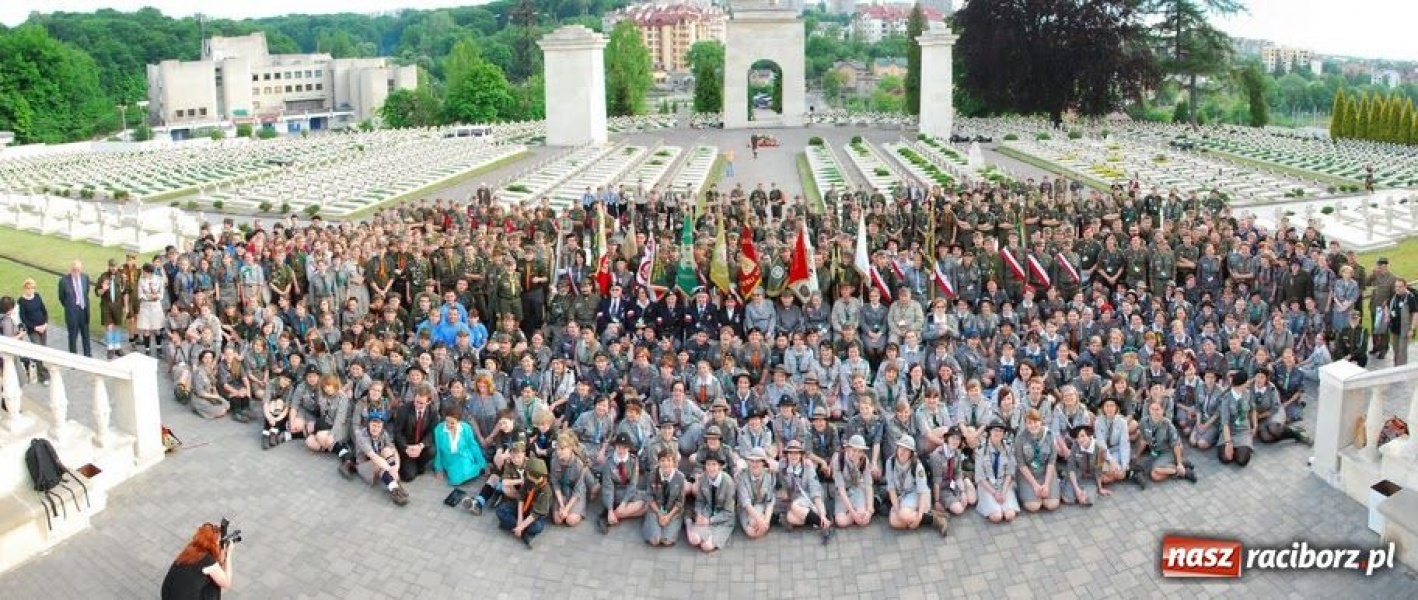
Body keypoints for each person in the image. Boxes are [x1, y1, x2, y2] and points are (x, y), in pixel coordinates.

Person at [160, 522, 233, 600]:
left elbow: (218, 563)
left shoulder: (191, 549)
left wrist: (221, 552)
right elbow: (226, 583)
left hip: (167, 594)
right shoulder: (208, 561)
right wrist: (228, 554)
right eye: (219, 542)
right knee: (214, 586)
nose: (220, 545)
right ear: (213, 543)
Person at [353, 411, 410, 506]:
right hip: (364, 465)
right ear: (368, 424)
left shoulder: (384, 433)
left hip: (379, 461)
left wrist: (396, 467)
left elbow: (394, 451)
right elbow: (373, 456)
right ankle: (394, 488)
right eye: (373, 425)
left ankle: (394, 483)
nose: (376, 428)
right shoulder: (361, 435)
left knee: (387, 450)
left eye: (379, 426)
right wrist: (389, 468)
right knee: (379, 464)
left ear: (382, 426)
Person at [597, 432, 648, 533]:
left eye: (624, 447)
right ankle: (611, 512)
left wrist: (624, 503)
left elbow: (633, 484)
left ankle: (609, 517)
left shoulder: (633, 461)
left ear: (629, 448)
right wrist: (610, 508)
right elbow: (608, 487)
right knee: (641, 504)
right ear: (615, 446)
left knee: (646, 506)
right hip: (615, 493)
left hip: (628, 492)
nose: (621, 450)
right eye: (619, 446)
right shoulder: (609, 462)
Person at [497, 455, 550, 549]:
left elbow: (535, 514)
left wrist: (521, 527)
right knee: (501, 510)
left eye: (528, 472)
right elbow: (521, 496)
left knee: (538, 527)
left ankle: (512, 527)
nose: (526, 472)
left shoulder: (545, 491)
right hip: (523, 507)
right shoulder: (528, 479)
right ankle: (525, 535)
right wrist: (520, 519)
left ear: (533, 475)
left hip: (533, 515)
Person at [686, 453, 736, 553]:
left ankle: (711, 534)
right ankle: (688, 522)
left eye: (714, 464)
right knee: (694, 540)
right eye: (708, 465)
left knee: (707, 546)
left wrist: (710, 520)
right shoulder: (702, 478)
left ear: (720, 467)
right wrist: (699, 513)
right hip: (707, 511)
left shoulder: (729, 483)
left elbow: (729, 512)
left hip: (723, 517)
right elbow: (700, 501)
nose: (711, 468)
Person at [975, 420, 1019, 523]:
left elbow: (1010, 472)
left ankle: (1004, 503)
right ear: (990, 431)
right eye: (995, 430)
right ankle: (990, 505)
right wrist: (995, 493)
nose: (998, 433)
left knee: (1009, 515)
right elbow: (980, 477)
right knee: (997, 516)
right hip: (987, 485)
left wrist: (1003, 492)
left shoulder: (1008, 447)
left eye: (1000, 431)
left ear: (1004, 433)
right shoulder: (980, 448)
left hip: (1004, 484)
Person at [432, 404, 486, 486]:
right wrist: (439, 469)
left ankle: (479, 466)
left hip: (464, 456)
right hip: (448, 459)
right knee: (455, 480)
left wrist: (482, 463)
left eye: (452, 423)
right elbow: (437, 450)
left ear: (459, 421)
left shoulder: (466, 428)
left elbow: (473, 445)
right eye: (447, 421)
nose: (448, 425)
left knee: (467, 470)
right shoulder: (439, 429)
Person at [644, 448, 686, 546]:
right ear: (658, 462)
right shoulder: (652, 475)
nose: (666, 463)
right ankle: (651, 524)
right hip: (656, 509)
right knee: (655, 541)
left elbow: (680, 502)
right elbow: (649, 497)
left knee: (666, 541)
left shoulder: (680, 478)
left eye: (669, 460)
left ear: (674, 463)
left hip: (673, 510)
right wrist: (659, 514)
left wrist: (668, 516)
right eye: (662, 460)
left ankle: (672, 526)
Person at [832, 434, 875, 529]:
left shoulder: (864, 460)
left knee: (864, 519)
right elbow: (841, 489)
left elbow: (868, 485)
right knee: (841, 522)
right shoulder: (838, 460)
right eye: (854, 450)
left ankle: (858, 512)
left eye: (860, 451)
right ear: (847, 449)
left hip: (857, 489)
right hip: (842, 493)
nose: (856, 454)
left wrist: (870, 510)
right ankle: (853, 514)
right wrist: (854, 514)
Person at [17, 278, 50, 385]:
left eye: (32, 288)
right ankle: (43, 376)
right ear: (25, 288)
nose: (31, 290)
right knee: (38, 350)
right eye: (29, 288)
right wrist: (35, 328)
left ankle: (39, 369)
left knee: (43, 349)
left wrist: (45, 323)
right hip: (33, 330)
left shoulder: (37, 296)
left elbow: (44, 310)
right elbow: (24, 319)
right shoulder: (21, 301)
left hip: (43, 327)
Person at [57, 260, 92, 357]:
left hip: (83, 310)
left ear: (81, 269)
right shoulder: (63, 281)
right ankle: (73, 358)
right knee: (73, 336)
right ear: (70, 269)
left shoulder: (85, 278)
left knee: (86, 335)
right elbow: (61, 297)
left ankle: (88, 355)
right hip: (72, 312)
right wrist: (70, 306)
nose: (76, 271)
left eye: (78, 269)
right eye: (74, 269)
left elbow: (86, 292)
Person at [1387, 279, 1418, 366]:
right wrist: (1387, 316)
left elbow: (1415, 313)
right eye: (1396, 286)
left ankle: (1402, 372)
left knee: (1402, 352)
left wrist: (1412, 329)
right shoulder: (1394, 296)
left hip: (1404, 330)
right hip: (1394, 329)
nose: (1397, 289)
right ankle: (1396, 367)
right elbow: (1389, 306)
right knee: (1395, 350)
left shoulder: (1410, 297)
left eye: (1400, 287)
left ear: (1405, 287)